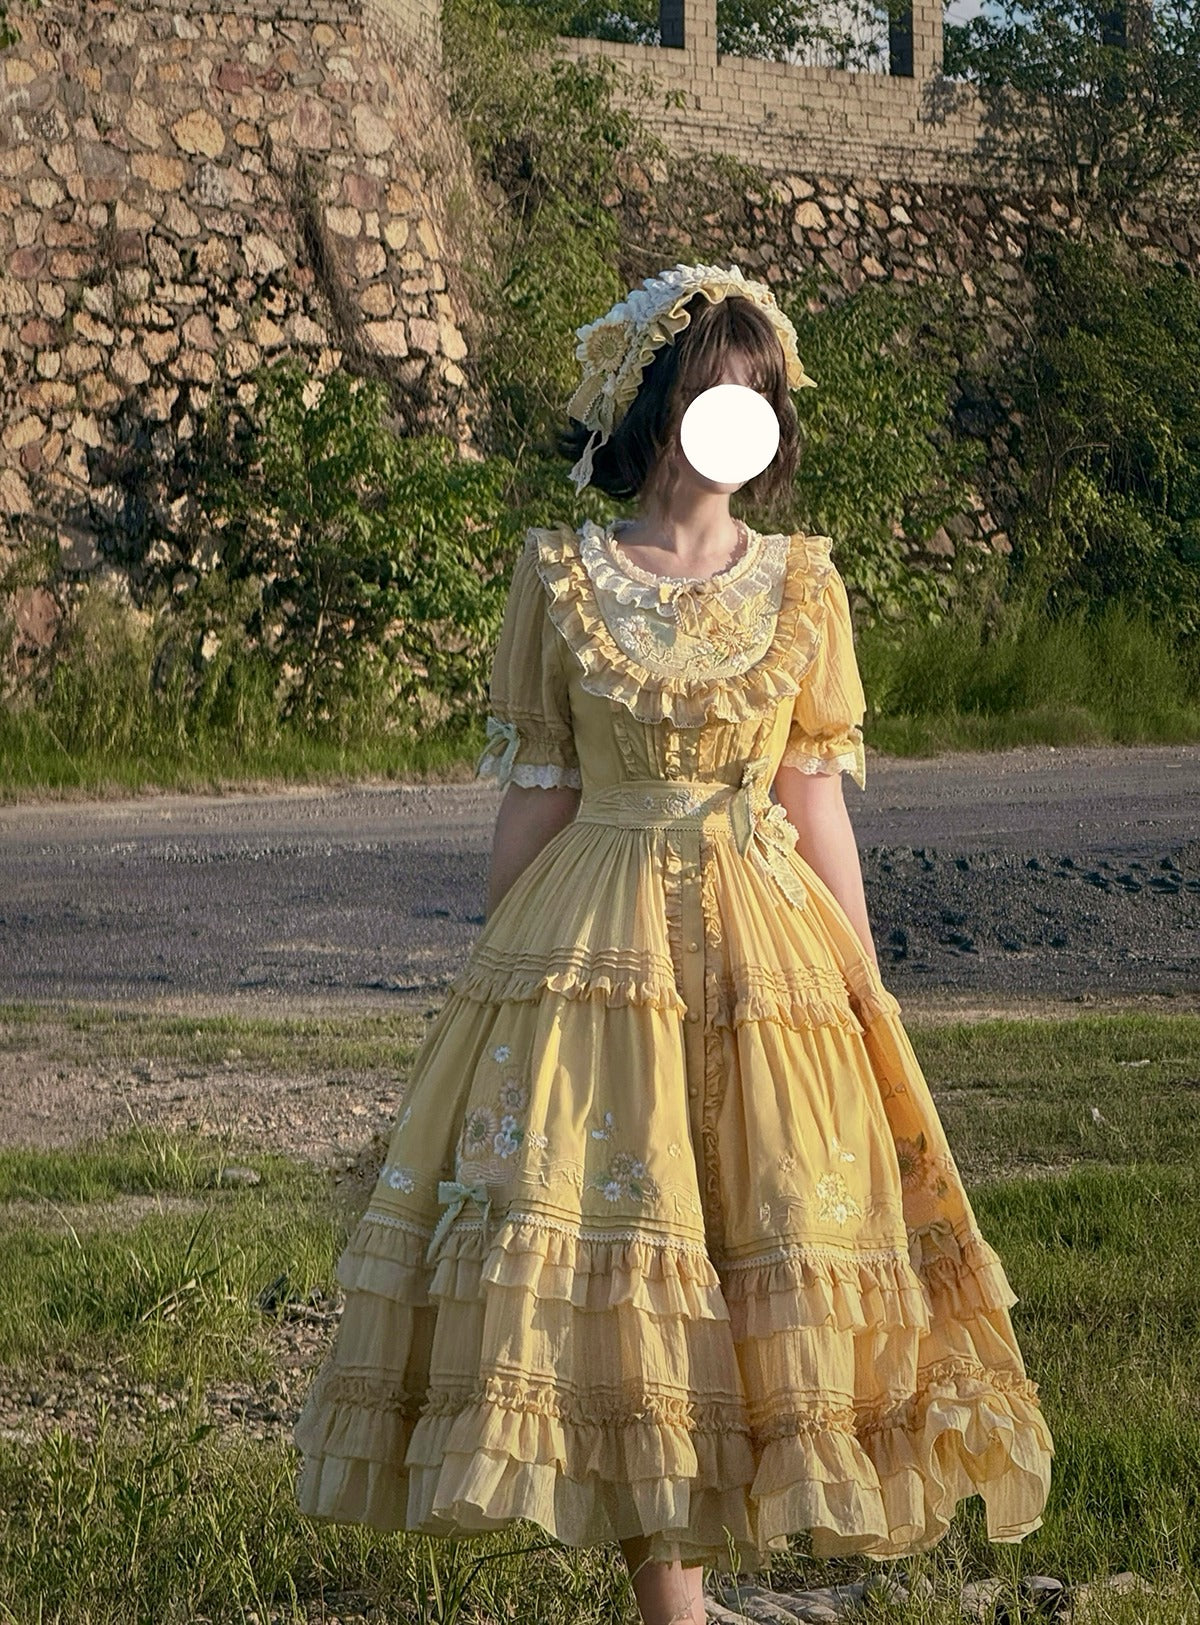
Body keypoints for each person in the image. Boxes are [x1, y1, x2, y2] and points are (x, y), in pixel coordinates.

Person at [292, 263, 1055, 1625]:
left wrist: (863, 978)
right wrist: (497, 986)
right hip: (601, 943)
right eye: (714, 390)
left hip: (767, 952)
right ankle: (675, 1608)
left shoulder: (803, 587)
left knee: (765, 1235)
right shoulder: (564, 576)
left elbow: (813, 796)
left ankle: (721, 1554)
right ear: (658, 407)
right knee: (627, 1257)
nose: (735, 419)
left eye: (757, 396)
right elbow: (541, 788)